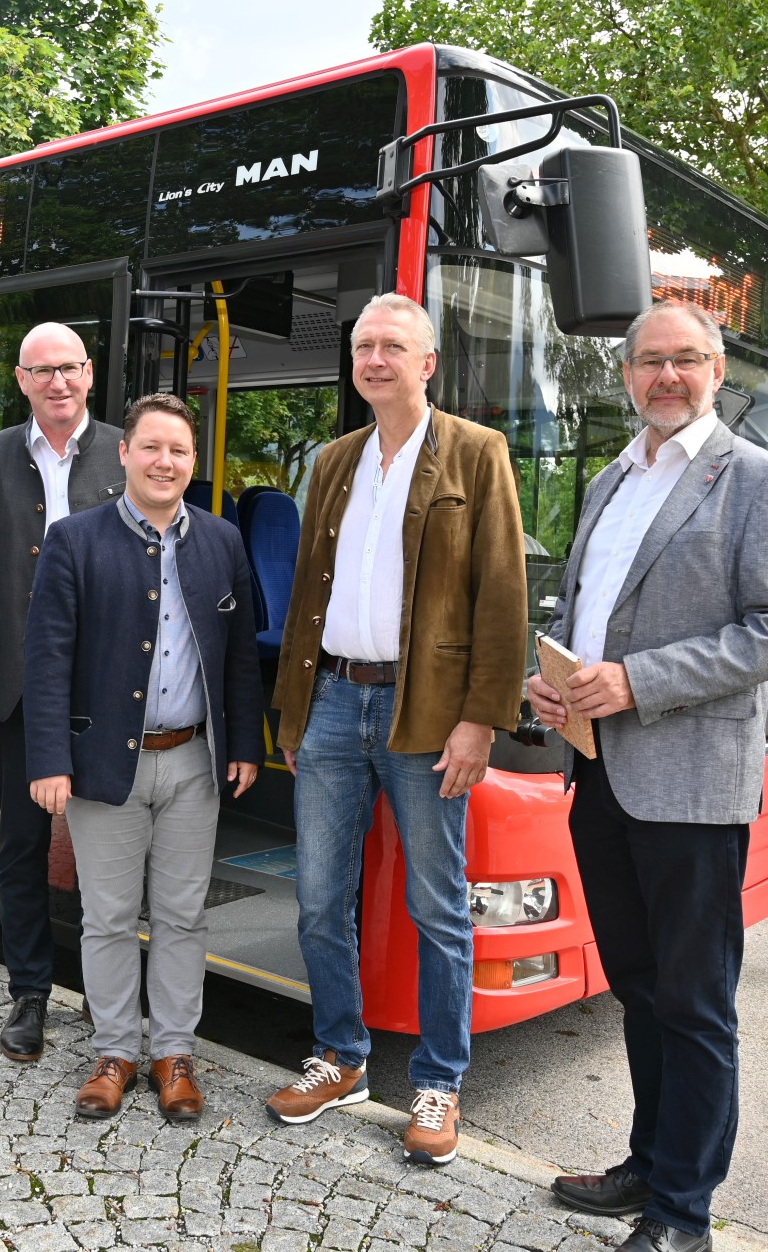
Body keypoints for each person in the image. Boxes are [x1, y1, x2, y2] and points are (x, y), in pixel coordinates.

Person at [527, 301, 768, 1252]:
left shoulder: (761, 482)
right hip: (600, 773)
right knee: (639, 986)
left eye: (686, 360)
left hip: (692, 784)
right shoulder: (612, 478)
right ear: (625, 374)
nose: (667, 376)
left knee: (694, 1005)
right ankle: (648, 1162)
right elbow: (584, 612)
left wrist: (636, 681)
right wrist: (554, 678)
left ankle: (684, 1213)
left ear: (717, 369)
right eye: (650, 361)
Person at [265, 291, 527, 1164]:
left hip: (428, 713)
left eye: (392, 346)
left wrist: (480, 720)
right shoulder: (334, 459)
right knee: (318, 897)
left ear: (427, 364)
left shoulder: (477, 452)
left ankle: (440, 1080)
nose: (375, 359)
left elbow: (502, 597)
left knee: (436, 905)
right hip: (333, 701)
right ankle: (340, 1056)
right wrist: (293, 708)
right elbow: (306, 596)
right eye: (363, 346)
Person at [24, 393, 263, 1122]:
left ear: (194, 462)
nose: (166, 461)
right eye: (152, 447)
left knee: (184, 916)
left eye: (179, 450)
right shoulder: (73, 539)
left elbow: (240, 658)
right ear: (123, 453)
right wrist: (48, 758)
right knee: (108, 916)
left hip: (193, 760)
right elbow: (46, 658)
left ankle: (174, 1054)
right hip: (103, 764)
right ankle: (115, 1052)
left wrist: (245, 745)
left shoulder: (222, 541)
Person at [0, 321, 124, 1062]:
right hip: (22, 685)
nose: (58, 381)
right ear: (21, 380)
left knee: (107, 849)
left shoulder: (126, 451)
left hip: (112, 688)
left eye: (69, 368)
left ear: (89, 373)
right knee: (22, 843)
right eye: (41, 370)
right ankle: (29, 991)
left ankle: (104, 992)